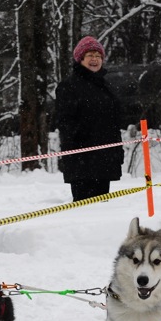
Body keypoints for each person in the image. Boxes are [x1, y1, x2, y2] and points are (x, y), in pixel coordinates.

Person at [55, 36, 124, 202]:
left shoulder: (105, 85)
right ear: (80, 59)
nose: (95, 60)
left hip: (105, 158)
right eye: (90, 55)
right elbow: (65, 124)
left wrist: (116, 152)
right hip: (82, 161)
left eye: (98, 56)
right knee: (84, 209)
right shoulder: (69, 86)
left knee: (102, 207)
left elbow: (114, 121)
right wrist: (77, 149)